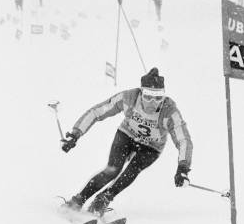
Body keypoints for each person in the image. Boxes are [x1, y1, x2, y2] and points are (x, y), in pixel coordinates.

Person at [62, 67, 193, 215]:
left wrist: (183, 167)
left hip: (152, 147)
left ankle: (103, 200)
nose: (152, 102)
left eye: (158, 97)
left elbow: (183, 140)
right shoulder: (129, 98)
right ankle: (78, 200)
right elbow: (97, 112)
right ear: (141, 92)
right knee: (112, 170)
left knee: (132, 171)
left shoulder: (169, 111)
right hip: (126, 135)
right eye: (148, 95)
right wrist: (75, 134)